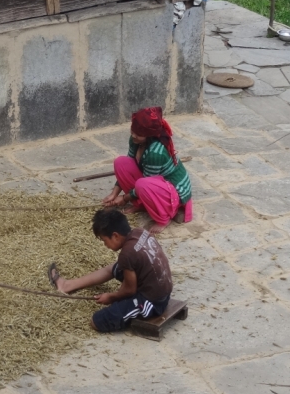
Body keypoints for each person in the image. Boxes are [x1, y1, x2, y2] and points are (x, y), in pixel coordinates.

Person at [48, 208, 172, 333]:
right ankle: (67, 285)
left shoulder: (127, 254)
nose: (104, 245)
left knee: (97, 321)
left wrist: (111, 297)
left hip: (153, 301)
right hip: (160, 286)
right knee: (114, 268)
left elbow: (130, 290)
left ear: (115, 236)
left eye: (104, 240)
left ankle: (131, 309)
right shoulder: (139, 232)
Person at [102, 106, 192, 235]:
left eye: (138, 134)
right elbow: (129, 164)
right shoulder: (135, 141)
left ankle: (164, 218)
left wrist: (125, 198)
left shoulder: (155, 153)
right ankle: (142, 204)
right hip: (152, 183)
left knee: (142, 185)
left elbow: (145, 183)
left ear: (149, 136)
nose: (133, 135)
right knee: (121, 162)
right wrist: (114, 193)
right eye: (132, 131)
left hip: (173, 189)